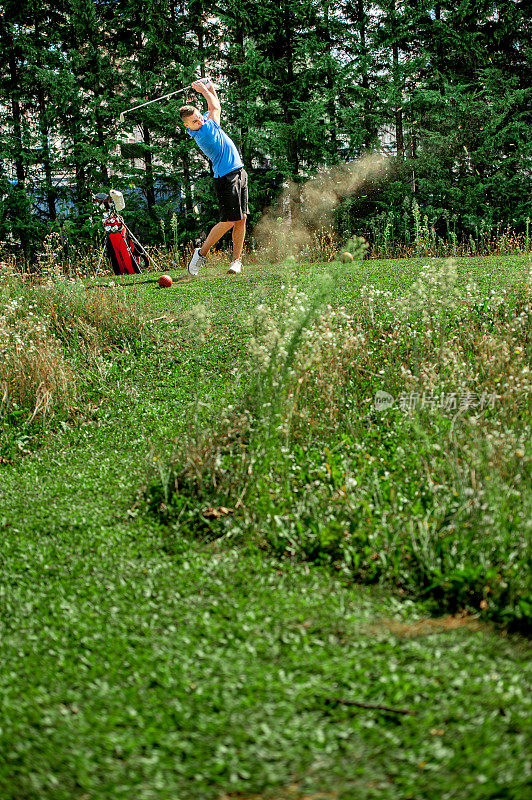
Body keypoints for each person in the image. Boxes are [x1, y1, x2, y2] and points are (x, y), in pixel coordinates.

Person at [180, 80, 248, 276]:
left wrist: (210, 86)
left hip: (239, 172)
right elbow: (215, 106)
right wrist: (203, 89)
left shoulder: (206, 122)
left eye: (200, 117)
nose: (199, 121)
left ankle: (236, 261)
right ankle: (200, 253)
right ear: (187, 125)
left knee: (241, 219)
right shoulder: (205, 132)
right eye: (194, 121)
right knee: (228, 221)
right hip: (226, 178)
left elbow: (214, 103)